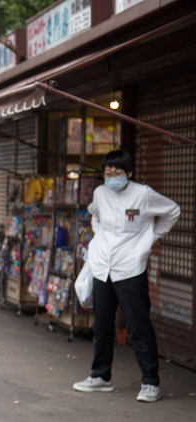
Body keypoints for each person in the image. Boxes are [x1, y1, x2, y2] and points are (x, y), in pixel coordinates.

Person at [73, 149, 180, 403]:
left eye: (117, 173)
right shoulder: (100, 193)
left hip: (130, 267)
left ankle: (151, 382)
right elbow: (94, 215)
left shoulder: (143, 194)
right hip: (102, 268)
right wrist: (100, 237)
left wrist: (151, 238)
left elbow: (172, 211)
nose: (111, 178)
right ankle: (101, 376)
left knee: (139, 325)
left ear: (129, 173)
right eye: (107, 174)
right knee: (102, 325)